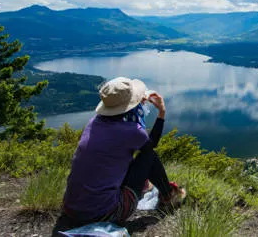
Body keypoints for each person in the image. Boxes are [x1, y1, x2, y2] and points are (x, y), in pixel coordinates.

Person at [61, 77, 186, 226]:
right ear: (130, 106)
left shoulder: (94, 123)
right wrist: (161, 112)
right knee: (149, 156)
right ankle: (168, 197)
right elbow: (150, 145)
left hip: (71, 208)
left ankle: (148, 187)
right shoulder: (131, 132)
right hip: (104, 212)